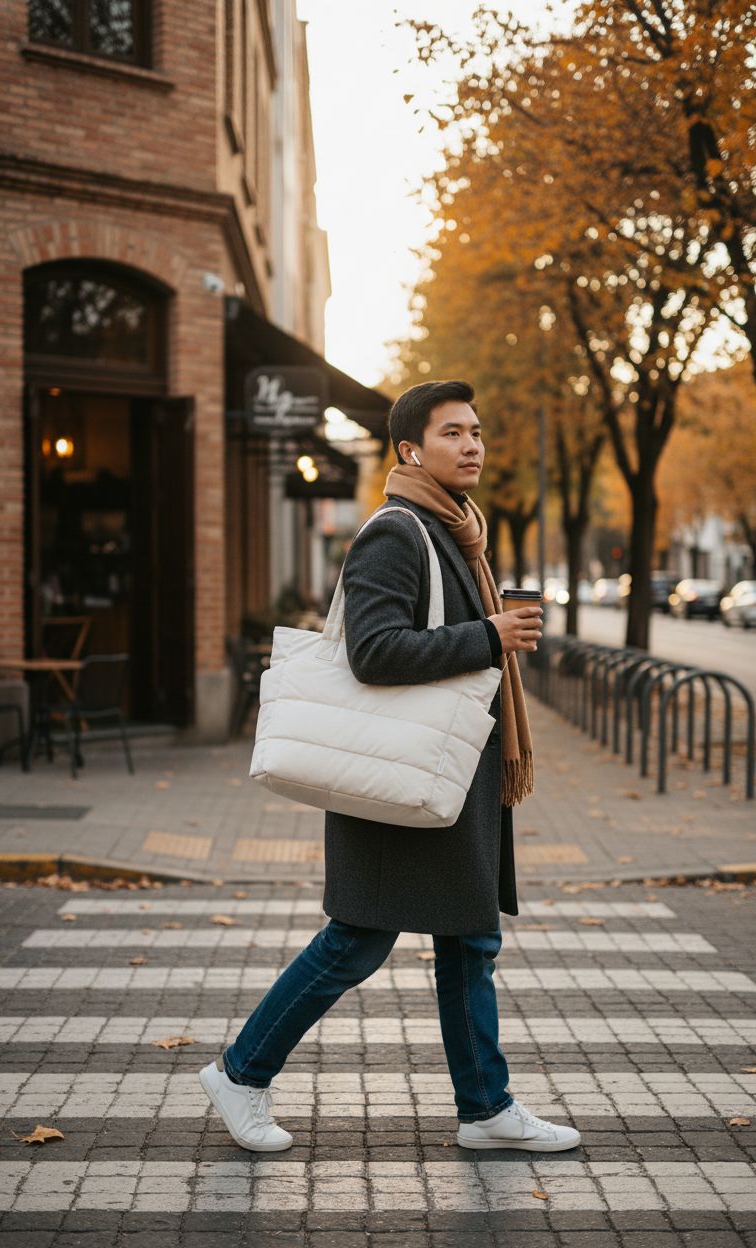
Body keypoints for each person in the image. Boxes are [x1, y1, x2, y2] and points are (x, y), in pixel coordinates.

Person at [199, 380, 581, 1154]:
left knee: (469, 940)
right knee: (357, 941)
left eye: (476, 431)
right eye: (452, 433)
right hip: (399, 773)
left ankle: (486, 1108)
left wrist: (492, 632)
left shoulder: (457, 530)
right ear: (410, 449)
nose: (472, 445)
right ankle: (240, 1074)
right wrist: (490, 636)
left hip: (447, 776)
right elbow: (373, 652)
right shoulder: (397, 532)